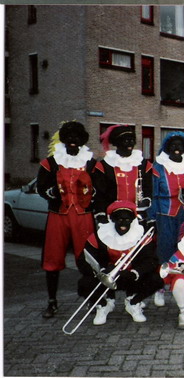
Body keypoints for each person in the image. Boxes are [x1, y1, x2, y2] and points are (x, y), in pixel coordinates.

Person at [37, 121, 96, 318]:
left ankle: (91, 301)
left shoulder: (90, 163)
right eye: (69, 136)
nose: (73, 140)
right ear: (63, 139)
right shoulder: (51, 162)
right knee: (52, 259)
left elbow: (100, 186)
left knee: (88, 259)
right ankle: (52, 302)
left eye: (77, 137)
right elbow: (40, 187)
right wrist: (51, 192)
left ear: (82, 140)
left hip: (83, 216)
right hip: (58, 216)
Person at [76, 201, 163, 325]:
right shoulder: (99, 236)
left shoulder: (141, 235)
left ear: (133, 220)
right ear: (113, 220)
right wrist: (100, 270)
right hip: (105, 277)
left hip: (131, 278)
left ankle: (133, 302)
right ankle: (103, 305)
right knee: (84, 283)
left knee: (156, 279)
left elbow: (151, 260)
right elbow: (83, 260)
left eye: (127, 219)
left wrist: (135, 273)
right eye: (119, 219)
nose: (123, 223)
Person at [149, 132, 184, 306]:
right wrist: (152, 215)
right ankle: (161, 287)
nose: (177, 149)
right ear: (167, 148)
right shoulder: (158, 169)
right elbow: (153, 194)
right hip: (166, 214)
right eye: (173, 145)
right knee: (165, 250)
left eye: (180, 145)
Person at [93, 124, 153, 224]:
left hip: (138, 214)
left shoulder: (143, 164)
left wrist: (147, 199)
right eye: (125, 140)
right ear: (117, 143)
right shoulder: (105, 165)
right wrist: (101, 213)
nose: (130, 143)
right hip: (112, 215)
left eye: (132, 140)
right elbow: (100, 194)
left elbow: (148, 187)